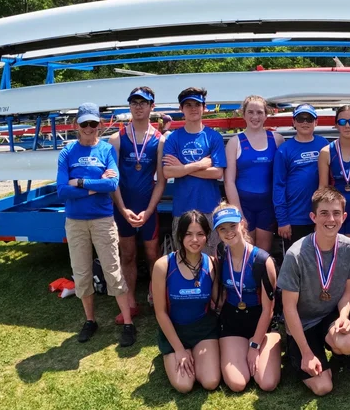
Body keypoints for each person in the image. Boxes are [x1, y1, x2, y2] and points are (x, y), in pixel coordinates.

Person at [56, 103, 136, 347]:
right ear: (76, 125)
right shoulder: (67, 152)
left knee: (113, 271)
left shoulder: (106, 150)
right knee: (82, 273)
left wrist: (80, 183)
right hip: (76, 222)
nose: (89, 128)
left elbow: (112, 184)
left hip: (102, 220)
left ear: (99, 124)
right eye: (84, 124)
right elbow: (62, 191)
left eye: (93, 123)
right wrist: (94, 186)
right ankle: (90, 320)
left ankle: (128, 323)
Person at [279, 187, 350, 396]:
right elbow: (289, 308)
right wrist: (306, 353)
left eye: (336, 213)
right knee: (323, 387)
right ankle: (298, 352)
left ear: (344, 217)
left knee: (348, 343)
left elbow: (347, 292)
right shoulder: (295, 255)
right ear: (313, 217)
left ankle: (338, 355)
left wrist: (343, 316)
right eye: (324, 213)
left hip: (328, 317)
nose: (331, 219)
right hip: (302, 325)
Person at [109, 87, 165, 324]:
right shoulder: (116, 139)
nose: (139, 106)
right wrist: (123, 209)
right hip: (124, 208)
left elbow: (161, 181)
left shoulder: (160, 140)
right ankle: (130, 303)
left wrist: (149, 210)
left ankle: (159, 300)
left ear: (152, 107)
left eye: (143, 102)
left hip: (147, 208)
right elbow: (112, 180)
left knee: (153, 254)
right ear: (129, 106)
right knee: (128, 255)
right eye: (134, 102)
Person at [150, 210, 221, 393]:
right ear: (180, 236)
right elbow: (160, 313)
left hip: (204, 329)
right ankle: (176, 353)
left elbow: (218, 302)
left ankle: (197, 354)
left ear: (207, 236)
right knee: (184, 386)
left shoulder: (212, 263)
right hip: (175, 330)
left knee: (210, 382)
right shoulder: (163, 265)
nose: (194, 240)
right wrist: (179, 349)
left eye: (200, 234)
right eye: (189, 234)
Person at [213, 204, 281, 392]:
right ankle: (236, 350)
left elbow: (268, 310)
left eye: (232, 226)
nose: (228, 232)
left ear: (242, 224)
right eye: (222, 229)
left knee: (267, 383)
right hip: (232, 322)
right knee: (237, 384)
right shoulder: (220, 253)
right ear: (217, 232)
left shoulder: (262, 261)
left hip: (260, 321)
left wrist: (254, 345)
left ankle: (264, 346)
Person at [162, 87, 227, 255]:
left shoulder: (214, 137)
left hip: (209, 209)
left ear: (204, 107)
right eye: (188, 105)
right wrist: (200, 164)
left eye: (197, 105)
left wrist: (181, 168)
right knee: (184, 258)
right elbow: (167, 172)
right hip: (182, 209)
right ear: (181, 108)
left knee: (210, 259)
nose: (193, 109)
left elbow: (217, 173)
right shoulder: (173, 138)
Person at [225, 95, 283, 252]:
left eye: (259, 112)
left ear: (266, 115)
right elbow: (229, 181)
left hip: (268, 205)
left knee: (263, 253)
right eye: (250, 112)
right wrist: (238, 212)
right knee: (245, 251)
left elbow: (282, 177)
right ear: (243, 114)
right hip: (244, 205)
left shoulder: (277, 140)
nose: (255, 117)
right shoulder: (235, 142)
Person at [273, 104, 330, 250]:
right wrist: (282, 220)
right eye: (300, 118)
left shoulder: (324, 144)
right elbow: (278, 186)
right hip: (294, 219)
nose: (305, 122)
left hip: (320, 216)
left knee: (320, 257)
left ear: (316, 122)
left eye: (309, 119)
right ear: (294, 122)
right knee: (295, 259)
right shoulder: (284, 150)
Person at [318, 105, 350, 235]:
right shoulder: (326, 152)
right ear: (336, 125)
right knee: (335, 247)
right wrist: (320, 218)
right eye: (342, 122)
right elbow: (322, 188)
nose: (347, 125)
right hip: (333, 213)